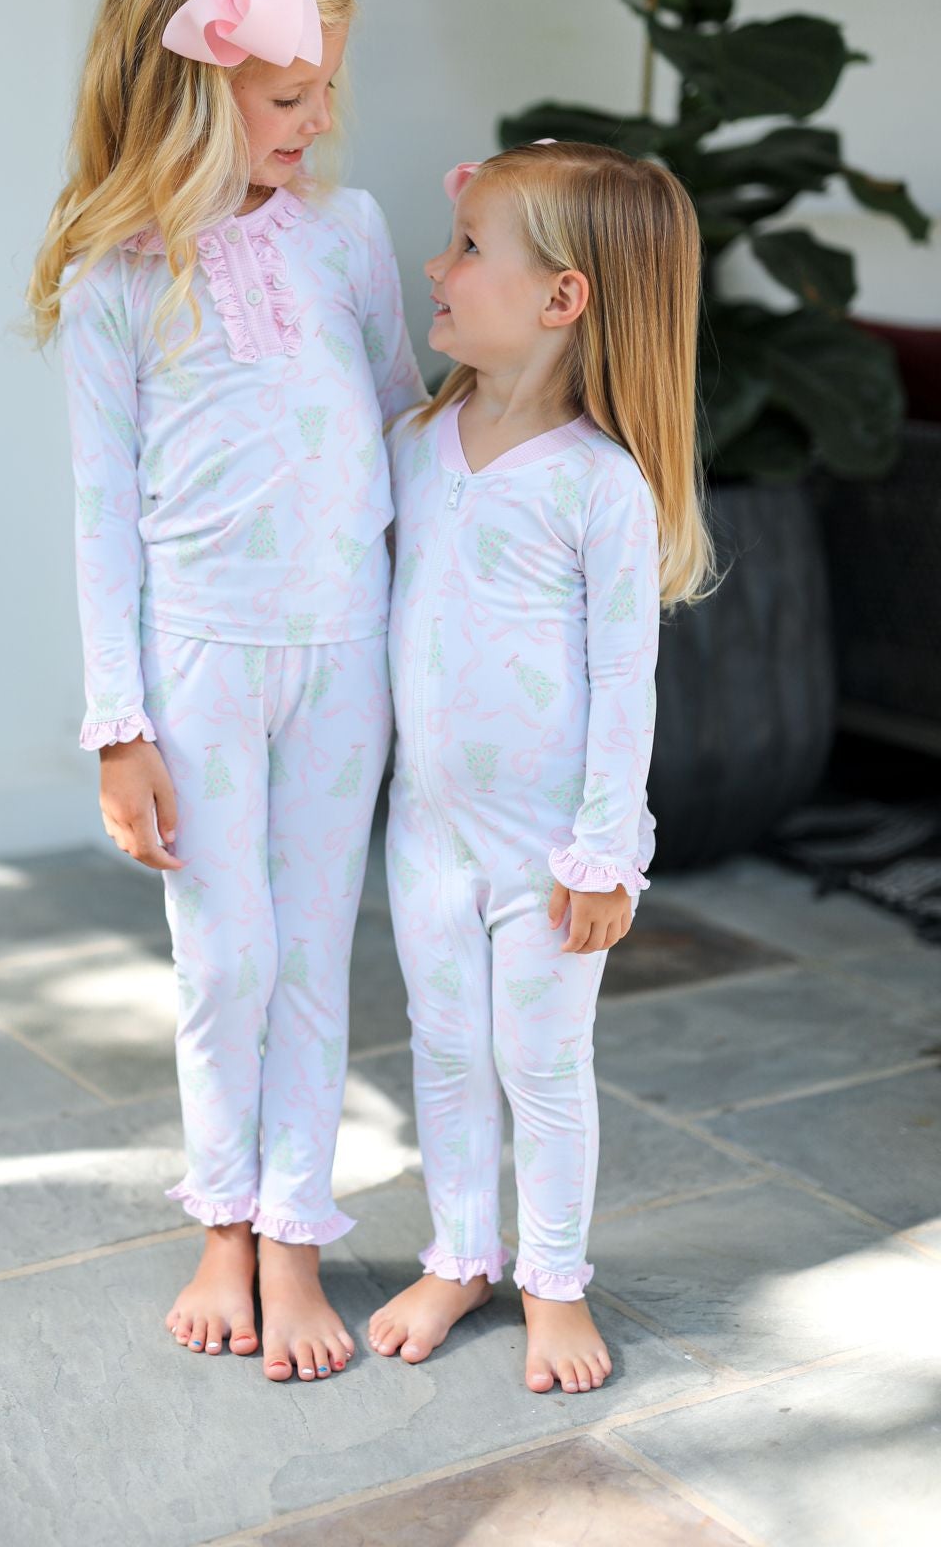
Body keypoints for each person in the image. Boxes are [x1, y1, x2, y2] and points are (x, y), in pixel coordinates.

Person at [28, 0, 424, 1383]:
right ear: (193, 91)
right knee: (227, 958)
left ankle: (294, 1236)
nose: (315, 120)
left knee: (317, 952)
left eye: (327, 90)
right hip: (199, 660)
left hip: (346, 658)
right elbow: (99, 518)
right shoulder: (114, 275)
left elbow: (402, 428)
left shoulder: (352, 234)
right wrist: (118, 725)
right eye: (285, 95)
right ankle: (220, 1214)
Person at [370, 142, 712, 1392]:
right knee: (443, 1049)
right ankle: (461, 1250)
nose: (434, 264)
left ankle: (552, 1282)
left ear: (561, 299)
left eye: (467, 247)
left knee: (540, 1066)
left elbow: (627, 683)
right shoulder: (416, 438)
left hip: (542, 853)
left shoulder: (596, 487)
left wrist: (602, 850)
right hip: (425, 833)